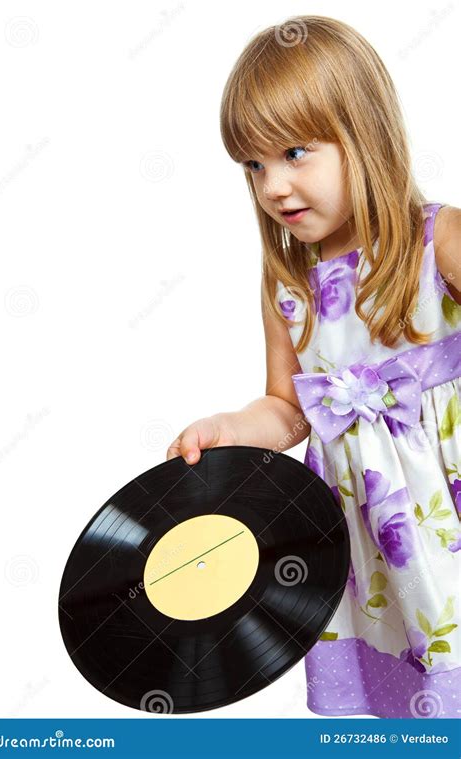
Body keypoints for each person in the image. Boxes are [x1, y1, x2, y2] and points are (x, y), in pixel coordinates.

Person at [166, 15, 461, 719]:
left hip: (445, 499)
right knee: (416, 705)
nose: (272, 185)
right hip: (372, 548)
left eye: (296, 152)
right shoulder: (288, 288)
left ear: (365, 134)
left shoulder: (438, 239)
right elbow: (289, 407)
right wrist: (232, 426)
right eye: (254, 164)